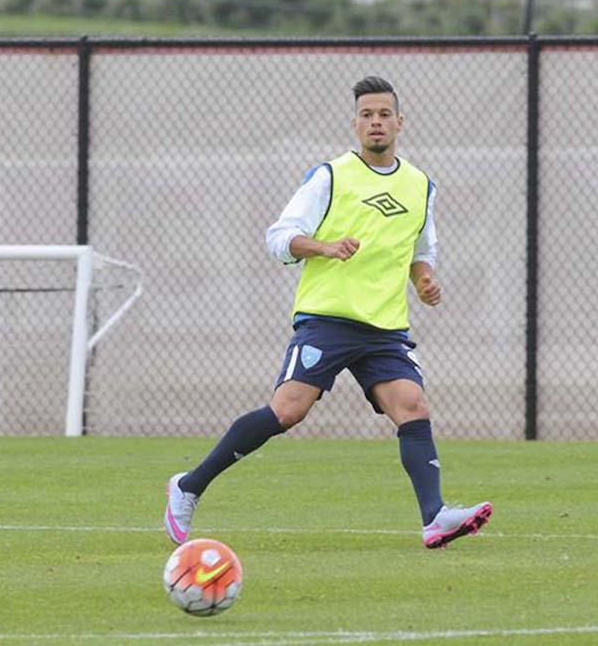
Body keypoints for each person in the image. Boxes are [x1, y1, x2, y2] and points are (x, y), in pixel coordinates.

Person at [164, 76, 493, 549]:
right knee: (288, 410)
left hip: (384, 327)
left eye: (384, 114)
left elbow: (423, 250)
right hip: (328, 318)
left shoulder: (421, 185)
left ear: (400, 123)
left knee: (412, 408)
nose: (375, 122)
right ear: (355, 124)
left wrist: (424, 281)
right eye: (366, 115)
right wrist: (324, 246)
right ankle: (188, 485)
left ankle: (434, 517)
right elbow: (279, 237)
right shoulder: (331, 176)